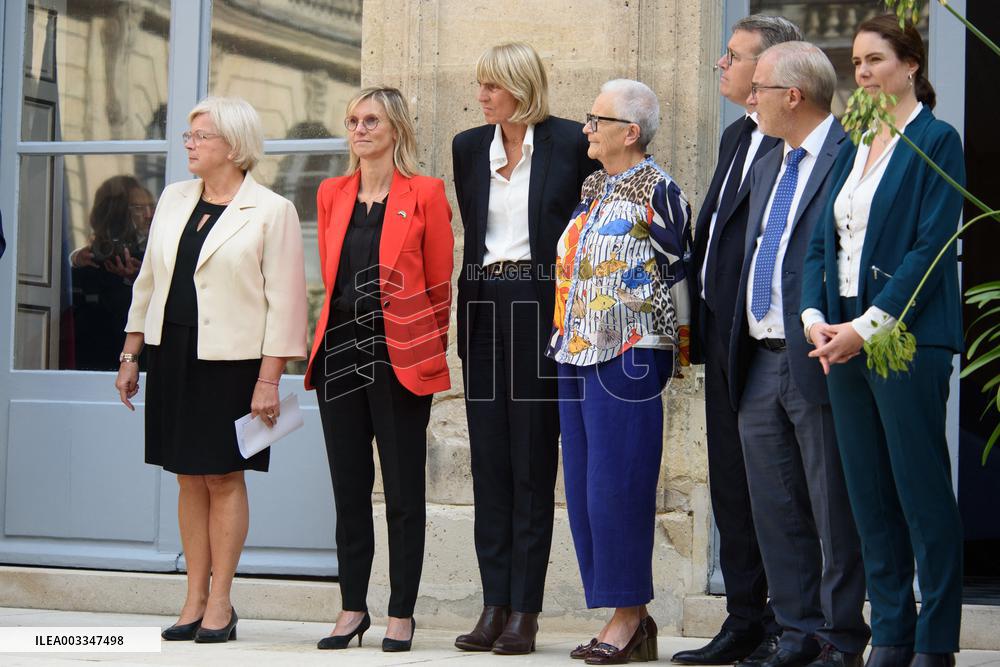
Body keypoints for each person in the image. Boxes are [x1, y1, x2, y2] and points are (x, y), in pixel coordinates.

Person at [801, 16, 965, 667]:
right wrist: (817, 317)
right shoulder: (855, 139)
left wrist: (866, 327)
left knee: (921, 494)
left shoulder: (936, 140)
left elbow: (931, 247)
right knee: (868, 494)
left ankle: (937, 639)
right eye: (858, 61)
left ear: (912, 64)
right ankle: (891, 632)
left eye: (875, 59)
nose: (863, 71)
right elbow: (820, 241)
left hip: (908, 342)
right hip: (838, 342)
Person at [115, 96, 308, 644]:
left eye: (200, 136)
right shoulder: (175, 199)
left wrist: (269, 378)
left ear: (234, 145)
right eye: (189, 136)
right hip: (171, 351)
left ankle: (221, 601)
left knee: (223, 475)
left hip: (234, 361)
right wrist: (132, 354)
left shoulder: (272, 210)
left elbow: (287, 304)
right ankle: (192, 598)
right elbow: (148, 282)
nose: (189, 144)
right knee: (186, 474)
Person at [451, 41, 599, 655]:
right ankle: (493, 605)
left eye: (492, 86)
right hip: (484, 307)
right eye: (480, 85)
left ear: (520, 87)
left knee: (533, 461)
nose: (481, 96)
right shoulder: (467, 147)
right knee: (489, 460)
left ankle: (525, 612)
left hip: (542, 306)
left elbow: (591, 230)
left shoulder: (569, 142)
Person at [727, 42, 868, 667]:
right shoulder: (766, 164)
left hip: (819, 355)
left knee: (832, 504)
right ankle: (797, 629)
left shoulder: (850, 155)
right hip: (759, 356)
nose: (748, 97)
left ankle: (842, 634)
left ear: (794, 95)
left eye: (759, 86)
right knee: (774, 504)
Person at [303, 86, 453, 653]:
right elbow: (330, 273)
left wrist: (420, 349)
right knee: (348, 489)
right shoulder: (331, 192)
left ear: (395, 128)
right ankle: (350, 608)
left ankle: (401, 613)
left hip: (399, 356)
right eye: (352, 121)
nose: (359, 129)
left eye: (371, 120)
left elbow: (439, 287)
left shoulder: (426, 193)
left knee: (403, 491)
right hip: (341, 348)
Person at [548, 78, 691, 665]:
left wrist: (679, 352)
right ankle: (623, 611)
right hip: (575, 348)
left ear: (629, 132)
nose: (586, 128)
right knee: (584, 491)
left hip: (631, 353)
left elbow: (681, 275)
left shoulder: (661, 191)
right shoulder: (592, 186)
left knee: (619, 487)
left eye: (595, 119)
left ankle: (628, 617)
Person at [676, 15, 802, 665]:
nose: (721, 65)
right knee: (730, 482)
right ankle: (744, 618)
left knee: (777, 489)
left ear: (771, 68)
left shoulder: (796, 145)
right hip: (721, 338)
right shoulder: (735, 137)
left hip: (769, 345)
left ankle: (791, 622)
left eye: (733, 55)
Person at [71, 175, 155, 370]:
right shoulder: (97, 252)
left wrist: (138, 277)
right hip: (97, 346)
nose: (149, 215)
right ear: (118, 213)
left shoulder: (156, 248)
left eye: (152, 207)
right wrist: (76, 260)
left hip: (142, 348)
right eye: (138, 208)